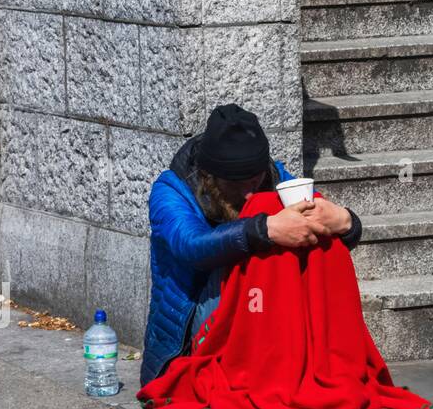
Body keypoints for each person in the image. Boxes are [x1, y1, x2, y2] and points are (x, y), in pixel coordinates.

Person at [139, 103, 363, 387]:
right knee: (262, 236)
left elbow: (319, 221)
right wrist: (265, 228)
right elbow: (191, 246)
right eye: (235, 184)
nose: (247, 194)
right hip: (191, 333)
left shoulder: (274, 176)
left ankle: (311, 363)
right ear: (210, 177)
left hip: (260, 313)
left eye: (254, 181)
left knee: (304, 234)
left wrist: (346, 222)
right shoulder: (170, 190)